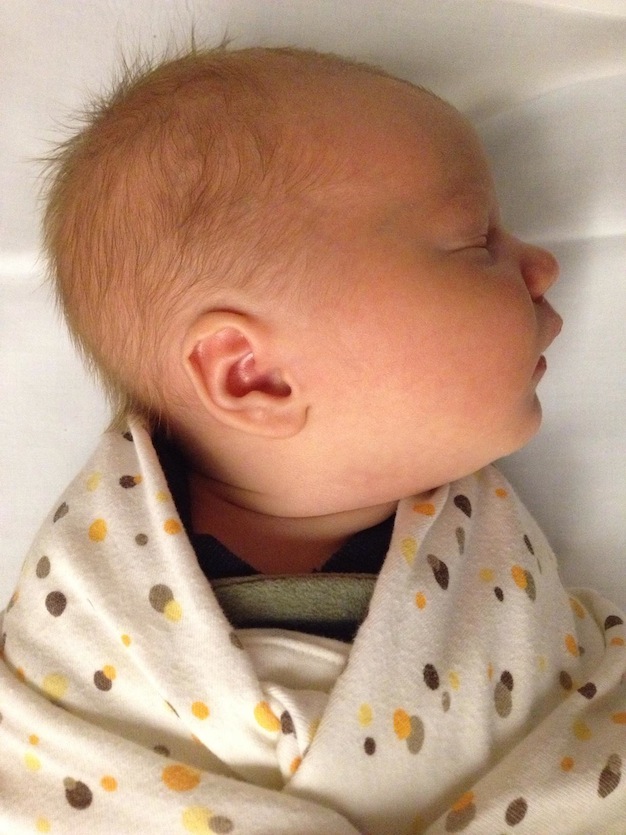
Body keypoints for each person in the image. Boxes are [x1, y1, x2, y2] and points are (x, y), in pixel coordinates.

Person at [0, 46, 624, 834]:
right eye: (477, 241)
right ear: (255, 376)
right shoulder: (86, 624)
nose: (543, 265)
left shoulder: (496, 574)